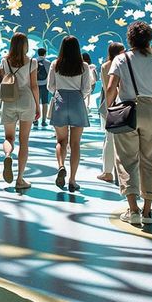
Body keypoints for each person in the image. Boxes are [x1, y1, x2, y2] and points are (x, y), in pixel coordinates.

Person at [104, 23, 152, 225]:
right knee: (149, 160)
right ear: (149, 39)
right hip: (151, 110)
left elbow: (110, 88)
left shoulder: (120, 59)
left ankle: (133, 210)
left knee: (126, 160)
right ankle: (148, 211)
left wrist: (110, 109)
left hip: (127, 110)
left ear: (129, 39)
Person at [49, 36, 92, 192]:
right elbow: (87, 88)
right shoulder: (84, 66)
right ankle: (72, 180)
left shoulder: (55, 64)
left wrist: (60, 92)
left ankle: (61, 166)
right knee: (75, 143)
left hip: (60, 100)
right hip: (77, 102)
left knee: (61, 141)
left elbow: (50, 86)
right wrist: (79, 96)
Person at [0, 32, 39, 190]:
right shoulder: (32, 62)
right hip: (26, 100)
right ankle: (20, 179)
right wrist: (38, 106)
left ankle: (8, 155)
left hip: (8, 101)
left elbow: (0, 80)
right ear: (26, 45)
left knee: (9, 138)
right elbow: (34, 85)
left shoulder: (4, 61)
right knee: (24, 141)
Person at [97, 42, 124, 183]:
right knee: (120, 140)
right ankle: (116, 172)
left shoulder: (105, 66)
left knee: (109, 139)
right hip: (122, 104)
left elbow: (106, 86)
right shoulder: (124, 63)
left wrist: (108, 107)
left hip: (110, 104)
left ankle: (108, 172)